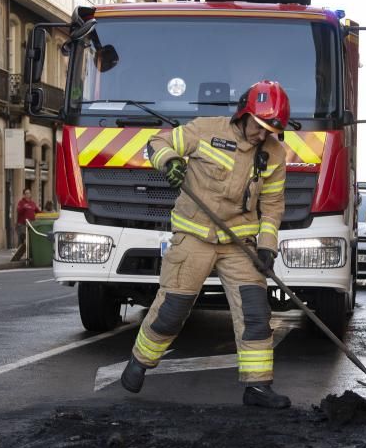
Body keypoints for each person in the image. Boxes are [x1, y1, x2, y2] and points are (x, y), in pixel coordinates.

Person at [121, 80, 290, 409]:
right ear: (243, 114)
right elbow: (156, 143)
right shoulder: (205, 129)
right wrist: (169, 162)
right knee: (172, 310)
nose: (261, 135)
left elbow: (272, 206)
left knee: (255, 313)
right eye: (258, 126)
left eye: (270, 129)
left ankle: (258, 388)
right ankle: (139, 361)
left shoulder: (275, 153)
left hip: (239, 241)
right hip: (194, 235)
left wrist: (267, 246)